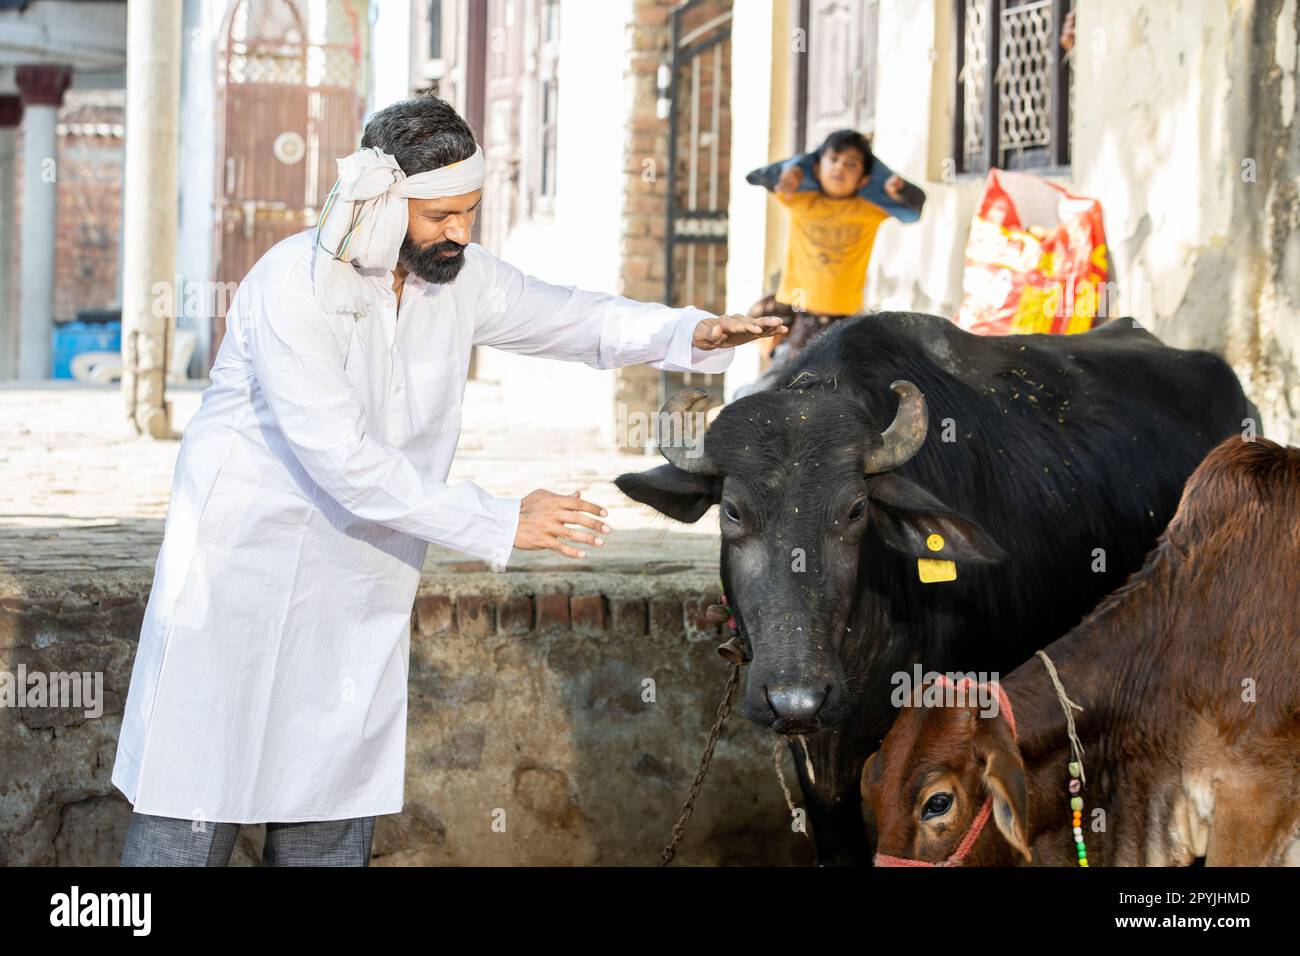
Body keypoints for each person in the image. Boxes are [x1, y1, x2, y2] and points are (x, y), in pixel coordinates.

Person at [112, 94, 785, 867]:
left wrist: (686, 331)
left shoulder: (458, 279)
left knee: (327, 808)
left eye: (470, 211)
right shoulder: (290, 287)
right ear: (380, 204)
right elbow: (343, 460)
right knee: (193, 810)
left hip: (356, 589)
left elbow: (574, 320)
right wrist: (500, 521)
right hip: (238, 584)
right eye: (440, 216)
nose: (460, 232)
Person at [741, 130, 925, 387]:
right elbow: (759, 176)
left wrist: (899, 189)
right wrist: (796, 171)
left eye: (851, 164)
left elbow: (913, 211)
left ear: (863, 180)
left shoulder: (869, 210)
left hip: (844, 323)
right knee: (774, 389)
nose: (840, 167)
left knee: (844, 392)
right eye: (833, 159)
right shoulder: (799, 199)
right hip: (799, 319)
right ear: (816, 168)